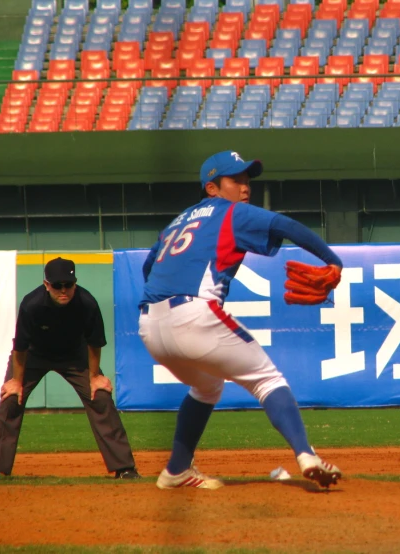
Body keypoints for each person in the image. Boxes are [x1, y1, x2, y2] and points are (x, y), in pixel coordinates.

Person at [139, 150, 343, 490]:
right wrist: (332, 260)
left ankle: (175, 471)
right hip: (194, 315)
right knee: (268, 380)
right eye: (236, 180)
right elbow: (284, 225)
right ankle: (307, 455)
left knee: (206, 387)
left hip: (150, 325)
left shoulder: (178, 221)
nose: (245, 187)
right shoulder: (229, 211)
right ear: (212, 188)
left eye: (248, 180)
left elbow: (148, 267)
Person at [0, 257, 140, 480]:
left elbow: (94, 343)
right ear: (46, 285)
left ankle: (124, 467)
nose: (63, 290)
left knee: (100, 397)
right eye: (57, 285)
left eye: (68, 285)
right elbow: (21, 347)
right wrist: (16, 381)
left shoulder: (87, 302)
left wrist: (94, 377)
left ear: (75, 283)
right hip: (34, 355)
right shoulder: (31, 304)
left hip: (75, 355)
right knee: (10, 399)